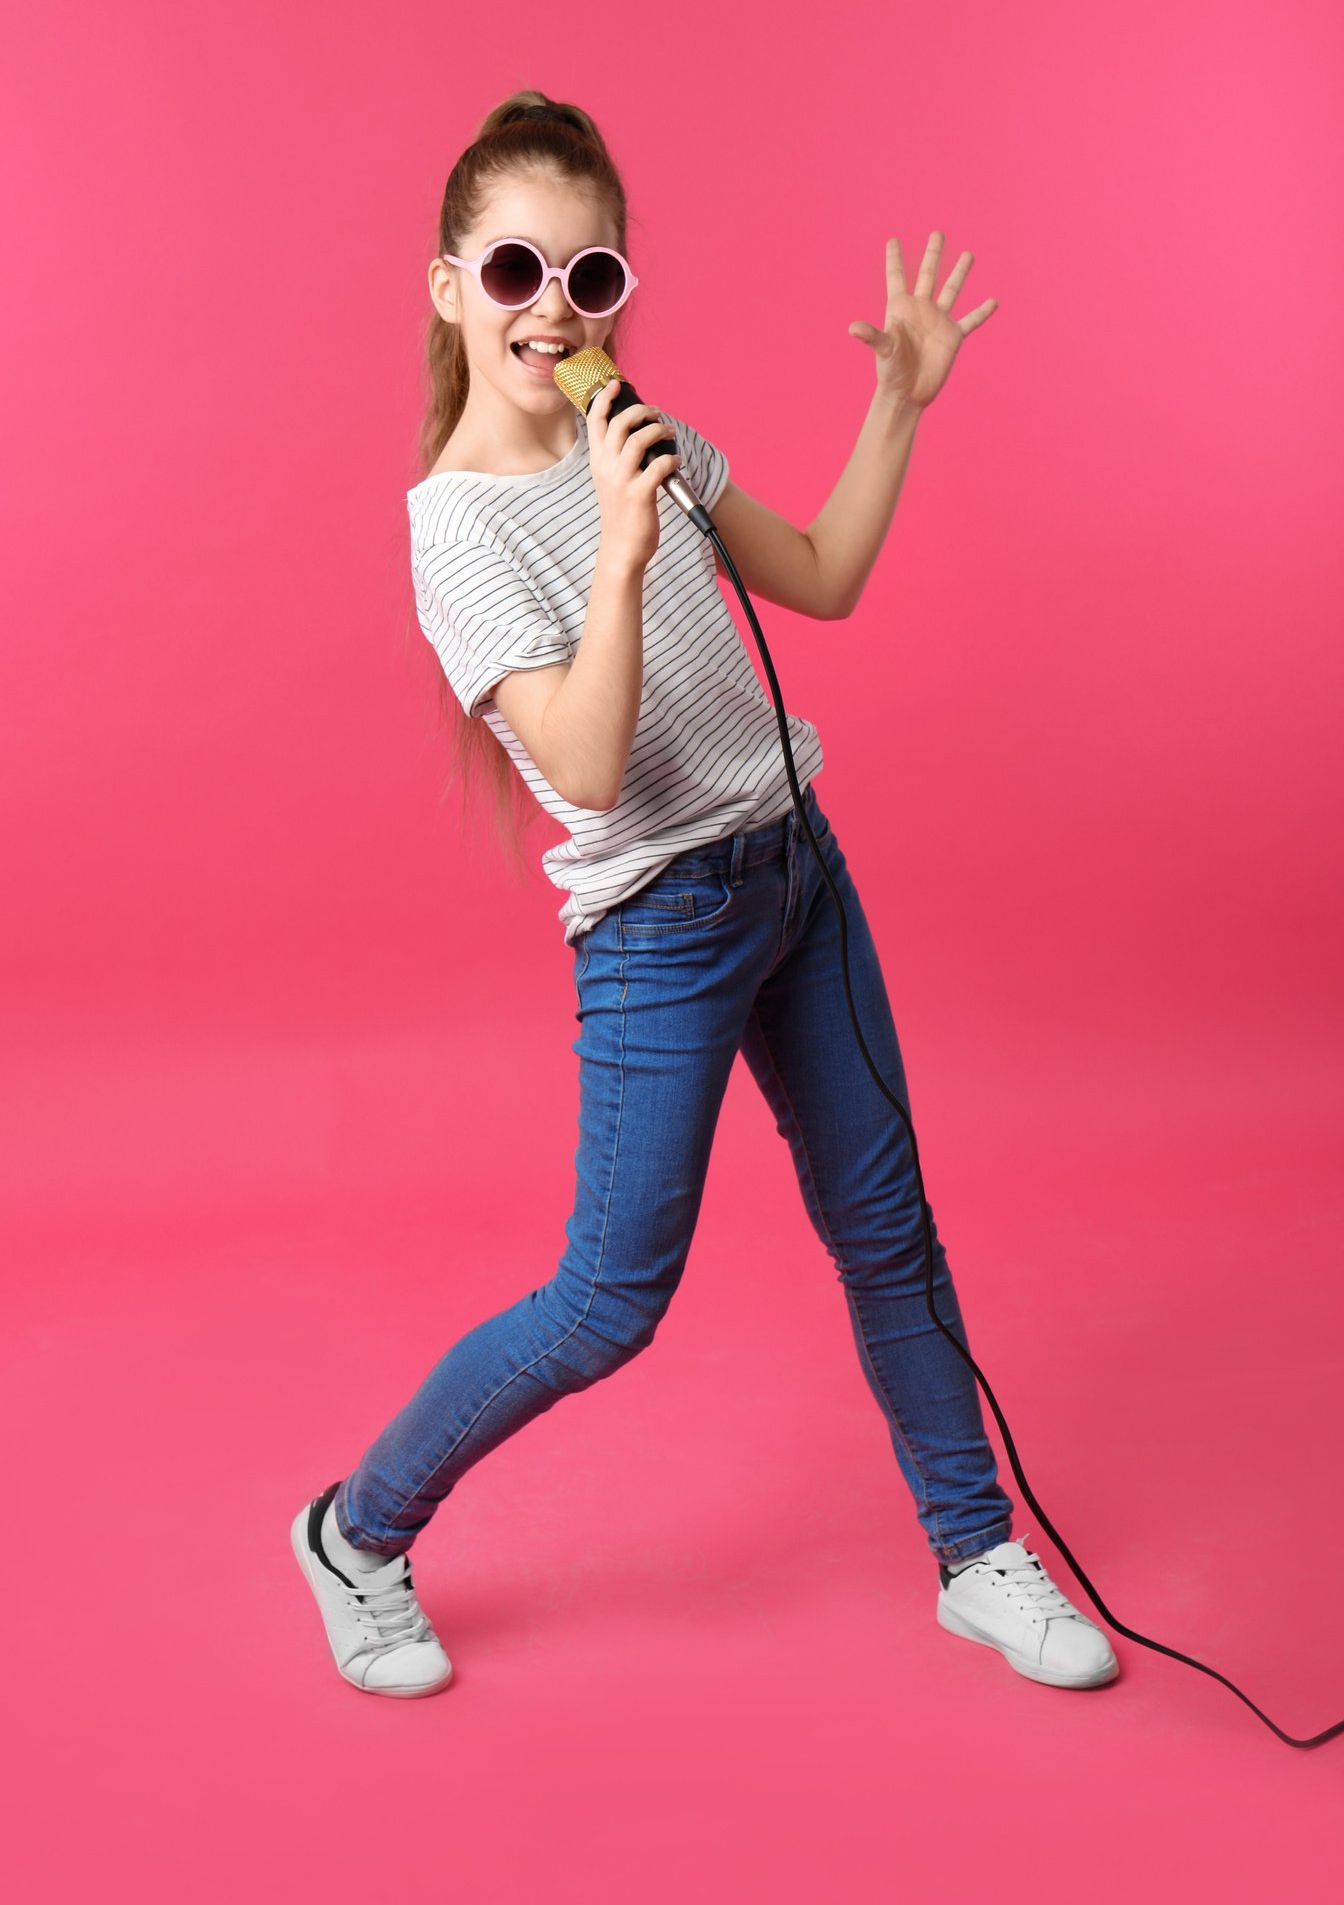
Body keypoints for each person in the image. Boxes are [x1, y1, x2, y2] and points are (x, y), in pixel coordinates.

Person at [290, 89, 1119, 1700]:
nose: (555, 310)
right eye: (518, 269)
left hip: (795, 865)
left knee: (889, 1230)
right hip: (660, 925)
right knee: (611, 1300)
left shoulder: (647, 438)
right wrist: (608, 542)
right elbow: (587, 769)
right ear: (449, 285)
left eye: (590, 278)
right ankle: (358, 1529)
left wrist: (902, 405)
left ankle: (974, 1551)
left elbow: (818, 574)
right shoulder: (454, 530)